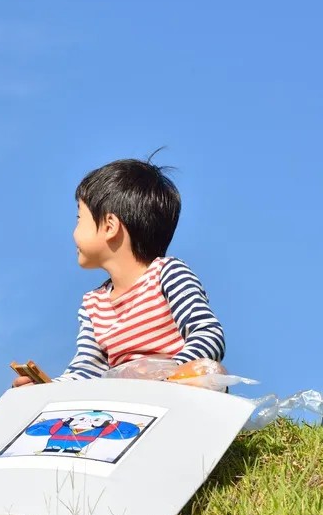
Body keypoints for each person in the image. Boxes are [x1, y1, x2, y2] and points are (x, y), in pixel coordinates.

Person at [12, 151, 225, 388]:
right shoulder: (93, 305)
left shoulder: (168, 273)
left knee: (207, 371)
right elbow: (86, 369)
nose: (74, 232)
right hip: (127, 397)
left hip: (177, 388)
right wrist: (48, 388)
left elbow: (207, 335)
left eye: (79, 218)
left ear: (110, 226)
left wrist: (172, 374)